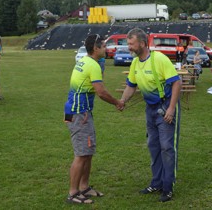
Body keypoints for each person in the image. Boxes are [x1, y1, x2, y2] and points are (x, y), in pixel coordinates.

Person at [119, 28, 181, 203]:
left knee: (167, 148)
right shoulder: (135, 63)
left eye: (131, 44)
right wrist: (123, 100)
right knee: (153, 146)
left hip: (165, 107)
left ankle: (167, 188)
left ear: (142, 43)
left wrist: (171, 109)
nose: (129, 47)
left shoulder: (159, 59)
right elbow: (131, 85)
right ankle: (156, 183)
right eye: (128, 43)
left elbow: (176, 83)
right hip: (150, 109)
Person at [64, 34, 124, 204]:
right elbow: (101, 92)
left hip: (74, 110)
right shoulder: (93, 65)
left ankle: (84, 187)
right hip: (79, 113)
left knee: (87, 152)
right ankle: (73, 193)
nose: (107, 49)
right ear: (95, 48)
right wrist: (117, 102)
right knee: (82, 154)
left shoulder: (85, 60)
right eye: (104, 46)